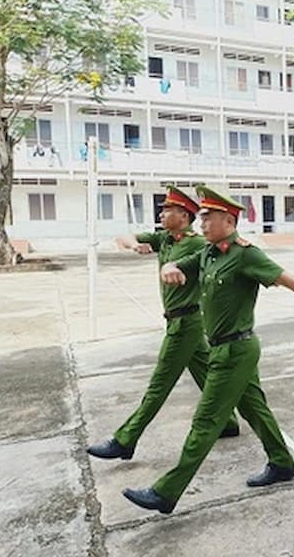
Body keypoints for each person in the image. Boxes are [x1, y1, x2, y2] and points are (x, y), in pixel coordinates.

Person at [122, 186, 294, 514]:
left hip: (236, 350)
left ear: (228, 220)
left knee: (205, 420)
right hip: (220, 349)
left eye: (208, 217)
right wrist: (168, 268)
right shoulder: (209, 253)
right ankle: (282, 462)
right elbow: (178, 265)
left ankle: (166, 492)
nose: (201, 223)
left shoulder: (245, 254)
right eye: (200, 217)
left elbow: (288, 279)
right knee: (255, 409)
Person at [87, 186, 240, 461]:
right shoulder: (167, 239)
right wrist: (135, 244)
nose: (161, 213)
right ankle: (227, 422)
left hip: (187, 322)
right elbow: (122, 237)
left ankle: (126, 439)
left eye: (167, 210)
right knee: (207, 374)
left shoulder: (195, 243)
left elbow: (215, 257)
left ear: (183, 215)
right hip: (178, 321)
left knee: (159, 384)